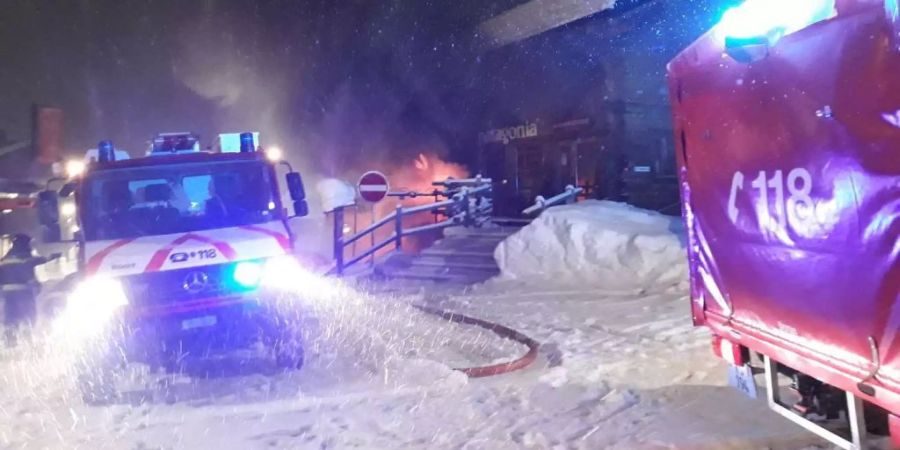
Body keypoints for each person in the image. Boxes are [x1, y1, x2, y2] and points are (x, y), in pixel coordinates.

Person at [0, 234, 56, 347]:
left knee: (11, 320)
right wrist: (50, 258)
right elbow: (40, 262)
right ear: (26, 244)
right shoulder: (27, 256)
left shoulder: (4, 260)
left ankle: (10, 343)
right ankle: (27, 343)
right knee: (28, 319)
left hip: (8, 295)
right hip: (24, 294)